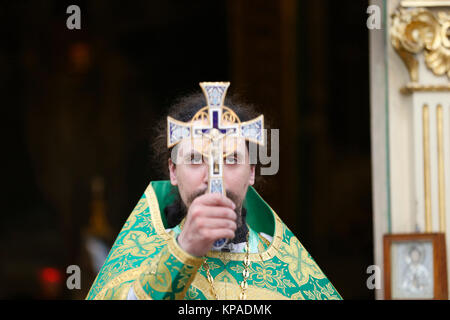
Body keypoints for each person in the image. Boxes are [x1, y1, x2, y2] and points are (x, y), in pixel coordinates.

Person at [86, 86, 342, 300]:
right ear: (173, 172)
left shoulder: (289, 270)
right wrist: (184, 250)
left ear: (251, 172)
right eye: (196, 159)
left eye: (230, 159)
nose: (213, 177)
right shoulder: (140, 259)